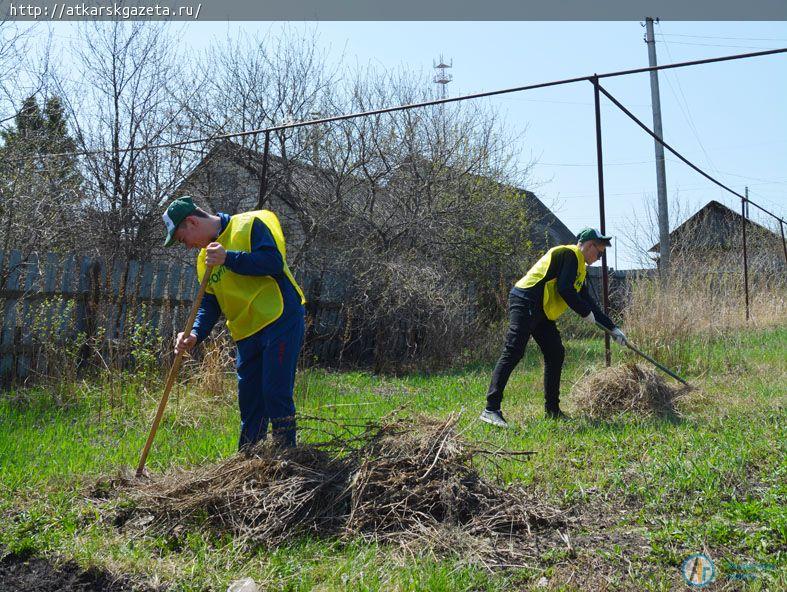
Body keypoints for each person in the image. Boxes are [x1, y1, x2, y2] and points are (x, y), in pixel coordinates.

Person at [162, 195, 306, 449]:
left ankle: (287, 459)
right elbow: (210, 303)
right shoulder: (203, 260)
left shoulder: (251, 224)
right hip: (246, 331)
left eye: (183, 239)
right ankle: (247, 461)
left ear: (192, 222)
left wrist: (229, 258)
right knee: (249, 401)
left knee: (275, 392)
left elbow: (273, 262)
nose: (187, 247)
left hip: (279, 318)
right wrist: (195, 333)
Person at [480, 228, 627, 427]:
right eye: (599, 252)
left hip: (542, 308)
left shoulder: (580, 269)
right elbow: (565, 289)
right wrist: (585, 313)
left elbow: (587, 301)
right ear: (589, 245)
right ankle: (491, 409)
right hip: (526, 300)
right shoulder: (569, 254)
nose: (599, 257)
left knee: (555, 353)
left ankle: (553, 410)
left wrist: (613, 328)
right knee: (514, 351)